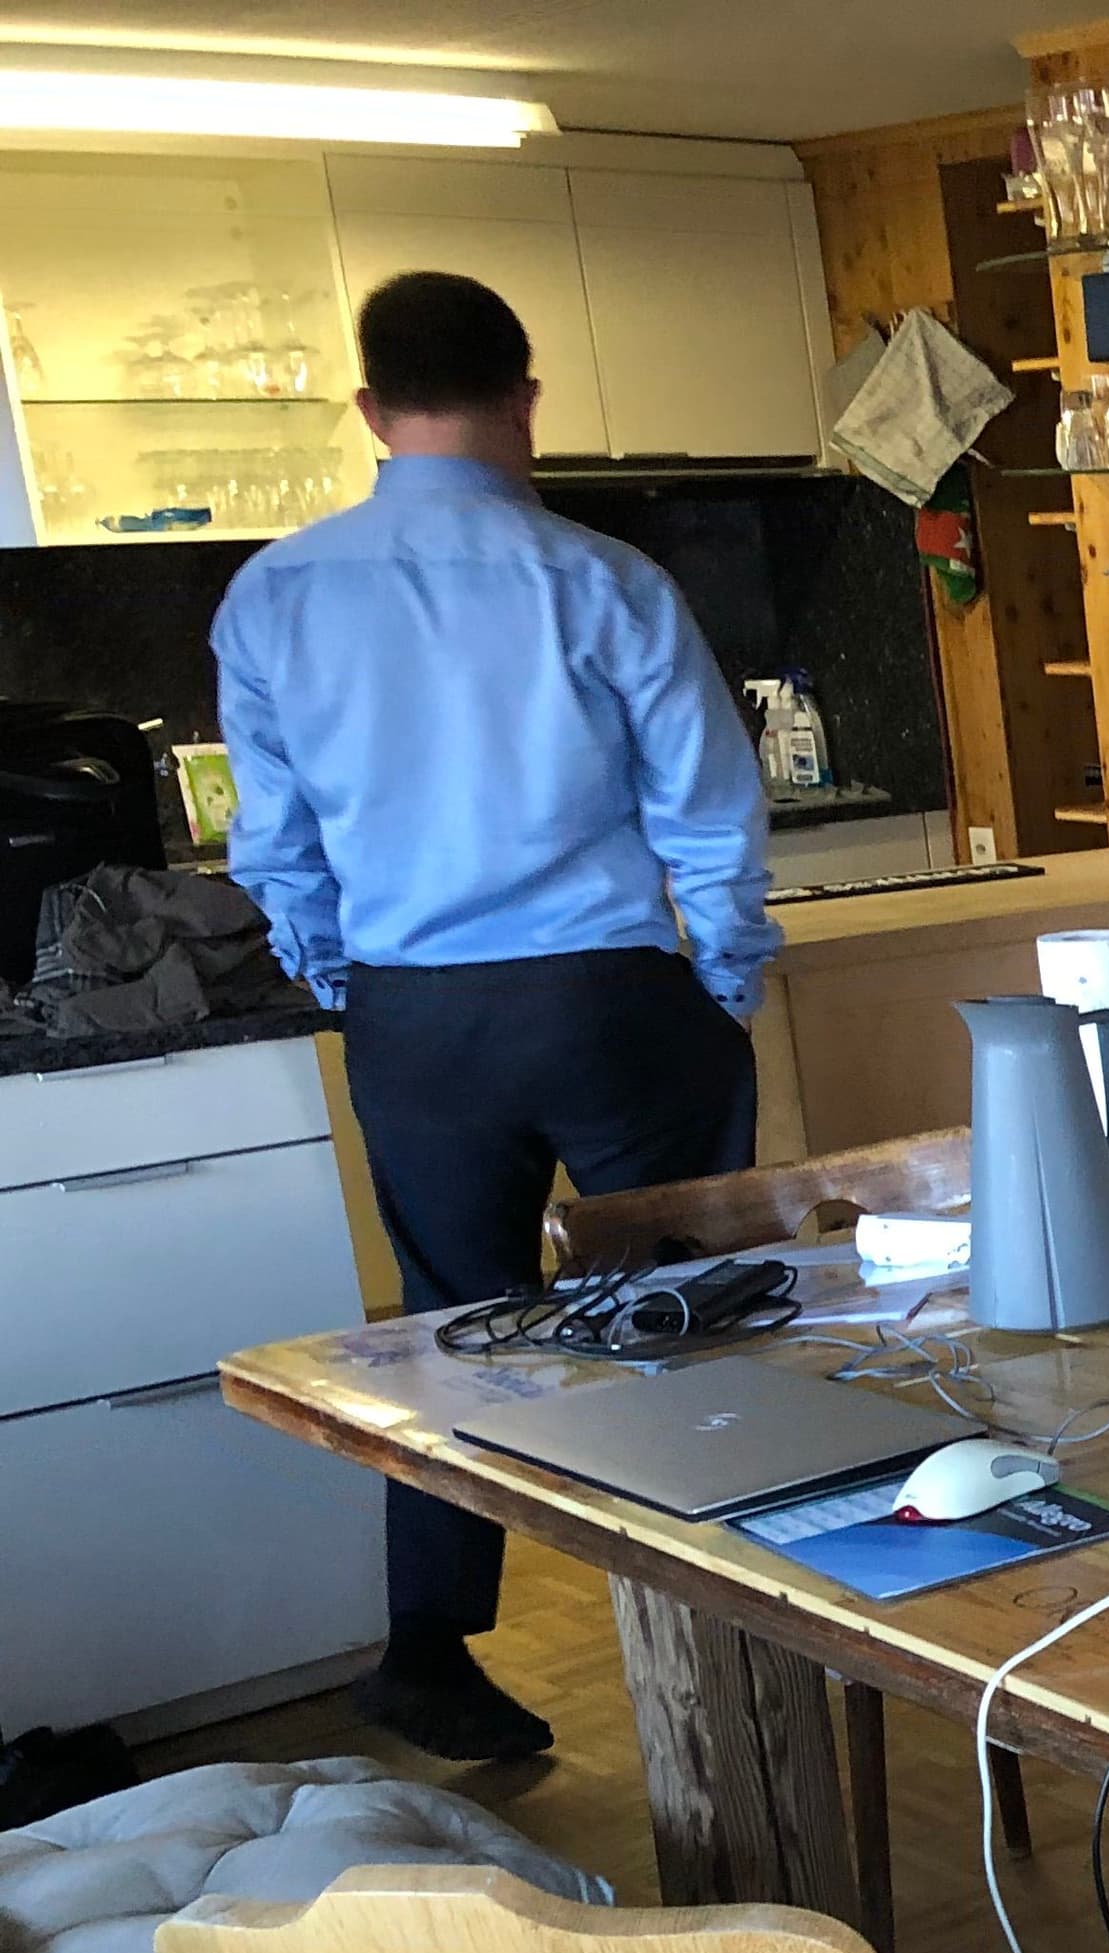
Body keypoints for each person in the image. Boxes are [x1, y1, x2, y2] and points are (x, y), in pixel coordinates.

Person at [217, 269, 779, 1763]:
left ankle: (430, 1650)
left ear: (367, 408)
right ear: (528, 398)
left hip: (416, 1013)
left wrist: (352, 982)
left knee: (450, 1326)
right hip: (609, 997)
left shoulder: (275, 592)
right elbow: (710, 810)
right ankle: (730, 1625)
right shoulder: (604, 581)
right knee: (687, 1308)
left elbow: (275, 842)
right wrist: (718, 983)